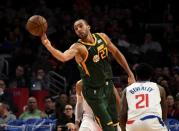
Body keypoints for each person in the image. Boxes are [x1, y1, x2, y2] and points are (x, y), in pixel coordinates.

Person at [41, 19, 135, 131]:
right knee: (108, 127)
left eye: (80, 26)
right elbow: (63, 57)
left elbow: (116, 53)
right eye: (76, 29)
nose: (78, 30)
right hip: (93, 91)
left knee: (117, 124)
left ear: (88, 26)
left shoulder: (102, 37)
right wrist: (48, 45)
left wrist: (130, 73)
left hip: (107, 85)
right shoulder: (78, 47)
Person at [119, 63, 168, 131]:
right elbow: (164, 112)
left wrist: (123, 129)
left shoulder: (127, 90)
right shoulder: (159, 88)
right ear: (151, 76)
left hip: (133, 124)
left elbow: (123, 113)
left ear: (136, 76)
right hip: (153, 122)